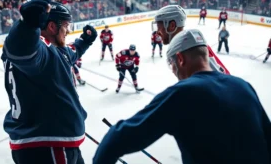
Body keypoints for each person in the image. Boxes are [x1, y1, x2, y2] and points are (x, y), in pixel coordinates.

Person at [93, 29, 271, 164]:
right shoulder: (242, 86)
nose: (173, 70)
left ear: (180, 59)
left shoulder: (183, 94)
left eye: (171, 64)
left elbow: (116, 139)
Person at [1, 0, 97, 164]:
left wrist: (85, 41)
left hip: (55, 142)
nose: (68, 31)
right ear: (52, 26)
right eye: (66, 26)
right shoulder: (38, 51)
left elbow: (70, 53)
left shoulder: (51, 50)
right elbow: (19, 49)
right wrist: (28, 23)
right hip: (47, 145)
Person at [152, 5, 230, 74]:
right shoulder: (192, 43)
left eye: (158, 27)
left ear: (172, 25)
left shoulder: (191, 49)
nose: (156, 32)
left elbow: (222, 80)